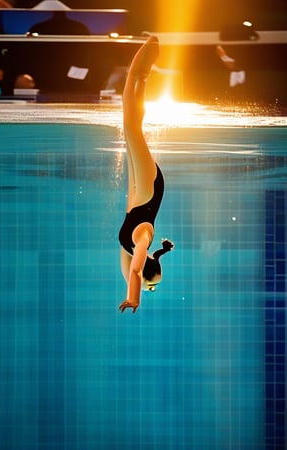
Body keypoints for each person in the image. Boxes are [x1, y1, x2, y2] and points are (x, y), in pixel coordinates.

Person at [118, 36, 174, 314]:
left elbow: (131, 270)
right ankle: (139, 70)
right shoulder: (142, 238)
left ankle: (142, 77)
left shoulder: (129, 246)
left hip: (139, 194)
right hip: (150, 188)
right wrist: (134, 298)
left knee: (130, 127)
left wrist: (137, 284)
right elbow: (137, 270)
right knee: (130, 124)